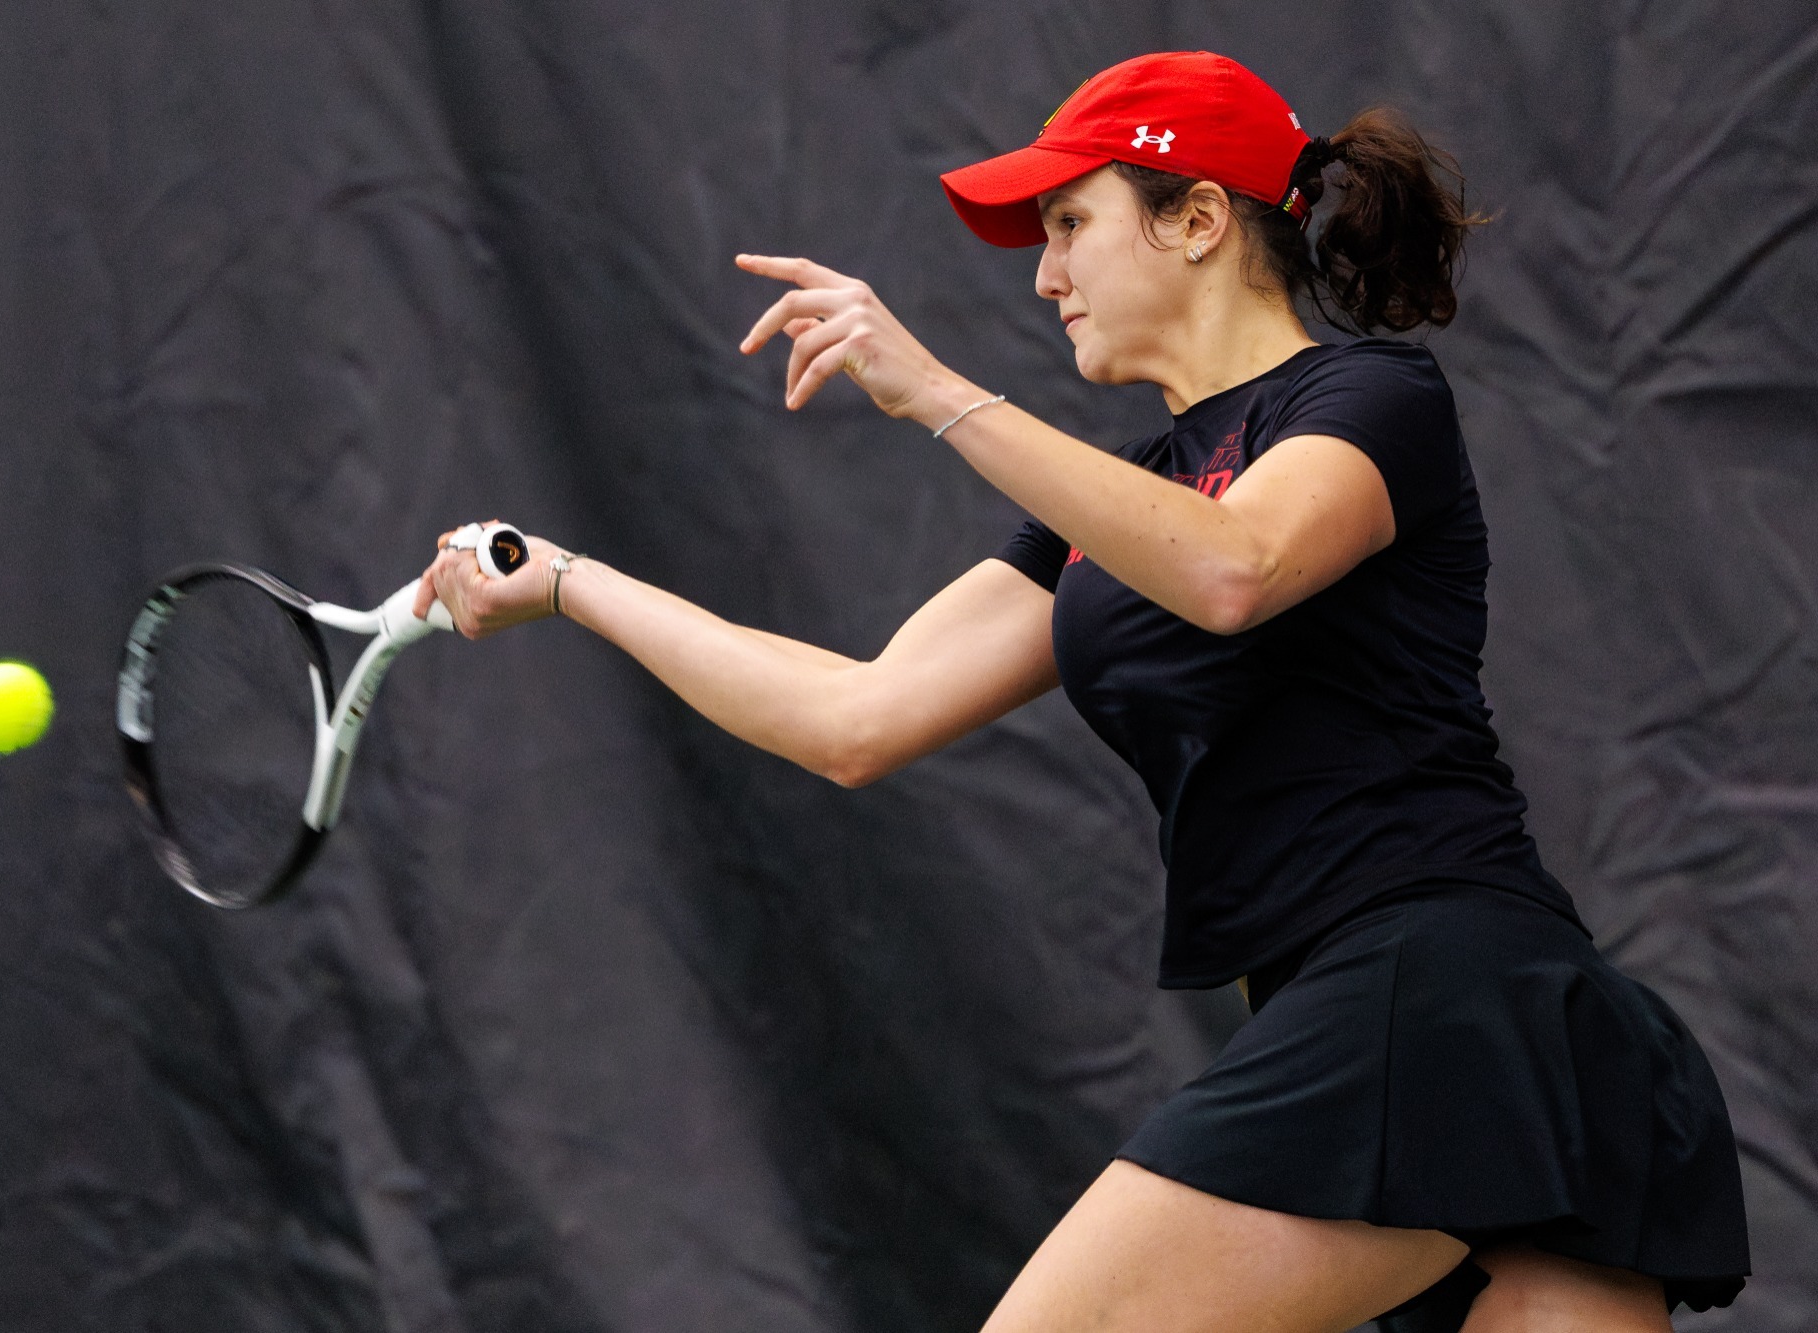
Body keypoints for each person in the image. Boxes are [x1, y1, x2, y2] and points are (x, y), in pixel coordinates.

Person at [416, 50, 1748, 1333]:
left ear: (1200, 220)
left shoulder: (1368, 395)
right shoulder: (1115, 505)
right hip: (1373, 1014)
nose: (1046, 275)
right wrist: (569, 578)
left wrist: (937, 391)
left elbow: (1238, 568)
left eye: (1068, 223)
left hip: (1450, 989)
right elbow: (855, 719)